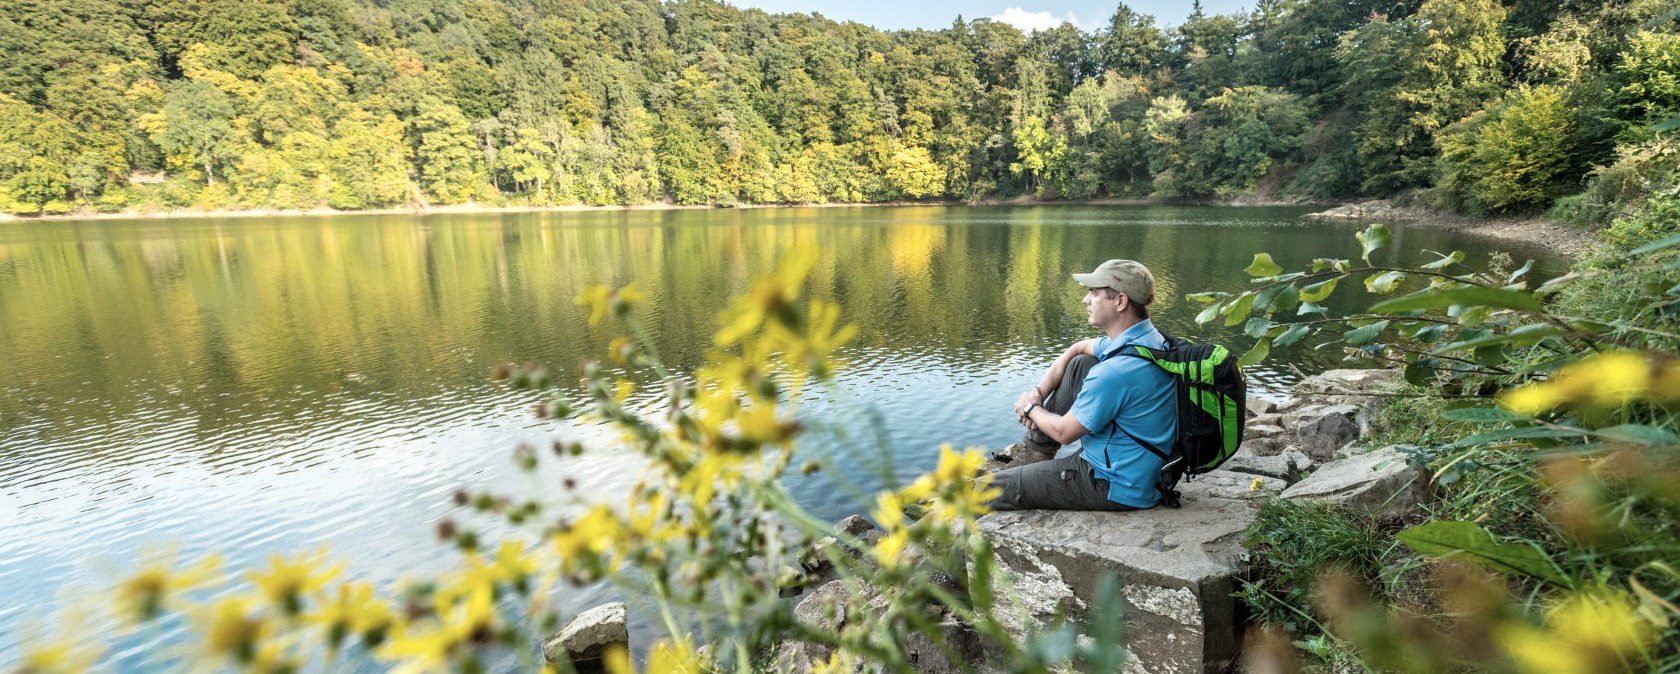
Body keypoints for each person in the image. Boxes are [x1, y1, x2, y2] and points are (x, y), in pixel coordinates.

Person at [989, 259, 1177, 511]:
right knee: (1080, 362)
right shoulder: (1151, 339)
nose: (1085, 300)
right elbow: (1077, 348)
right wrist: (1039, 392)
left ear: (1120, 301)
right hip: (1142, 469)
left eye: (1094, 293)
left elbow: (1064, 433)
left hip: (1112, 482)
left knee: (987, 489)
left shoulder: (1115, 371)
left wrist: (1030, 408)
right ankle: (1036, 453)